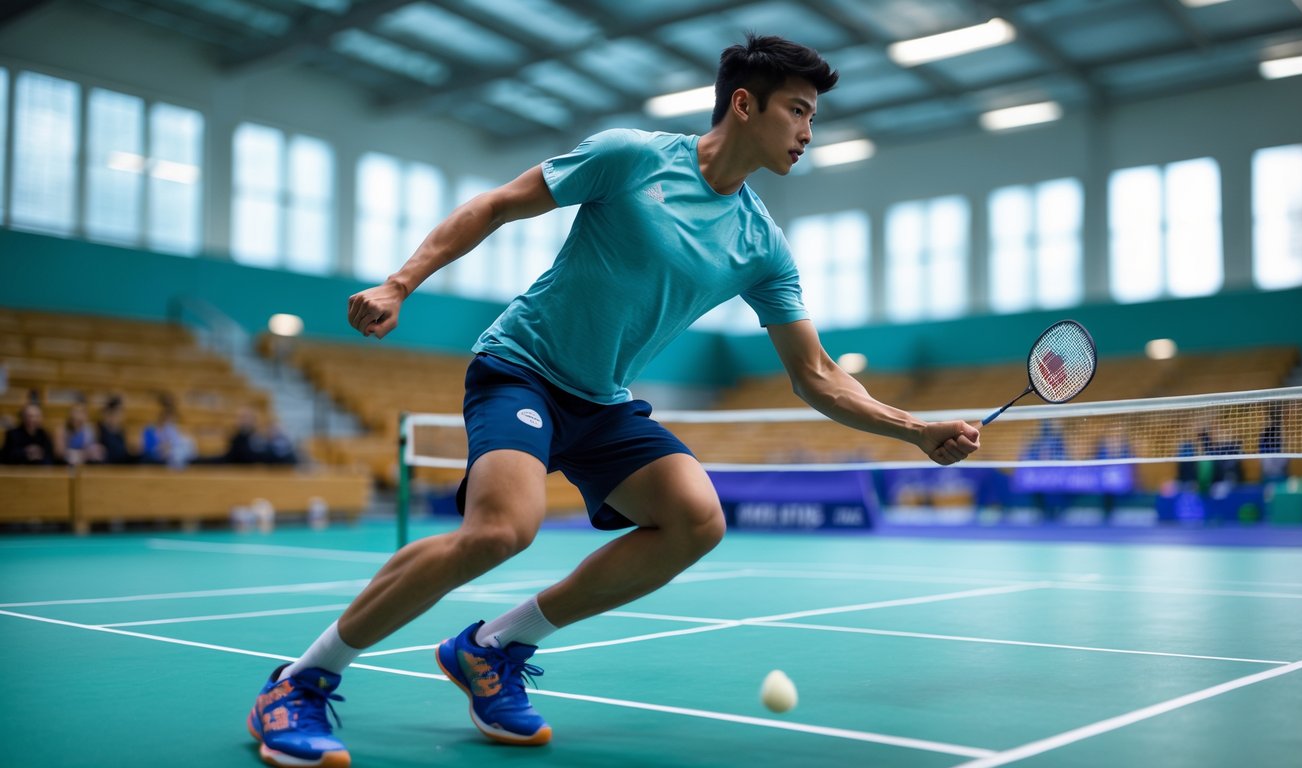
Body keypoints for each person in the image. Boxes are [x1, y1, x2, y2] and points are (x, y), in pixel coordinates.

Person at [248, 34, 980, 768]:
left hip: (601, 401)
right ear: (744, 103)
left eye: (812, 116)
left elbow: (815, 373)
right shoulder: (634, 157)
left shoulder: (761, 244)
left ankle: (493, 648)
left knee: (695, 519)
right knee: (500, 531)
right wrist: (399, 284)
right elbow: (500, 204)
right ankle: (300, 682)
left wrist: (913, 430)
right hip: (522, 368)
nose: (807, 132)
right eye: (797, 110)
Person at [96, 395, 135, 464]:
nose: (119, 416)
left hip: (120, 463)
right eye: (116, 413)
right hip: (106, 464)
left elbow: (123, 452)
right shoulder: (101, 429)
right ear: (109, 413)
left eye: (120, 413)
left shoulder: (121, 430)